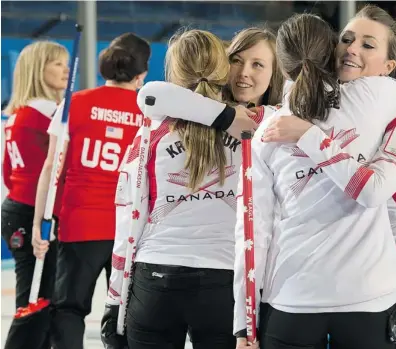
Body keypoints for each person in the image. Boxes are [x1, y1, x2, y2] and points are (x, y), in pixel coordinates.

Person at [265, 6, 396, 349]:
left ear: (388, 68)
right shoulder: (316, 104)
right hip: (357, 284)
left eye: (368, 45)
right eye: (347, 39)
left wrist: (308, 135)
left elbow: (372, 191)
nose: (352, 48)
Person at [102, 28, 274, 349]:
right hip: (222, 282)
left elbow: (126, 218)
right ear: (224, 70)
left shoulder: (150, 131)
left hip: (154, 277)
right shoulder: (257, 123)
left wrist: (115, 299)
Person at [31, 33, 151, 349]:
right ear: (141, 74)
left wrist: (37, 225)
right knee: (125, 313)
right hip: (129, 229)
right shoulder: (148, 114)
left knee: (69, 309)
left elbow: (50, 169)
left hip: (80, 224)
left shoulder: (76, 104)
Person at [1, 40, 69, 349]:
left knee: (35, 297)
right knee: (37, 301)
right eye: (57, 63)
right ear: (37, 70)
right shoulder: (49, 113)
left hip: (15, 208)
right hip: (33, 212)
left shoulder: (16, 113)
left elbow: (7, 170)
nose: (65, 69)